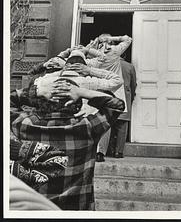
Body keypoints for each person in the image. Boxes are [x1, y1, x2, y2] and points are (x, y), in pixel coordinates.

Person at [10, 79, 125, 210]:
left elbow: (8, 101)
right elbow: (116, 105)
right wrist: (81, 92)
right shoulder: (87, 128)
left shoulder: (26, 125)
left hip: (37, 209)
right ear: (77, 105)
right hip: (77, 208)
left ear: (41, 102)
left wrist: (36, 91)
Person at [83, 34, 132, 162]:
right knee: (106, 122)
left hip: (96, 89)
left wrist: (93, 44)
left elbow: (82, 55)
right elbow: (128, 39)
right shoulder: (115, 51)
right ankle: (100, 152)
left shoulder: (95, 54)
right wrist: (113, 39)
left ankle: (91, 149)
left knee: (93, 119)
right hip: (112, 90)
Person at [111, 55, 137, 158]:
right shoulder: (129, 66)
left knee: (109, 125)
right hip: (124, 98)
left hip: (111, 97)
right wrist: (131, 97)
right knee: (122, 125)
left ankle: (108, 150)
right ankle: (119, 151)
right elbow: (133, 84)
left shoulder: (109, 65)